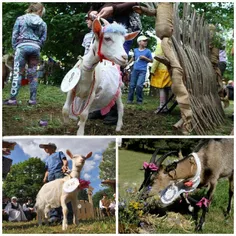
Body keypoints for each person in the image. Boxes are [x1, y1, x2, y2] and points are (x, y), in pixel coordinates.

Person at [4, 3, 47, 106]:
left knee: (17, 73)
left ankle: (12, 99)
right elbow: (43, 38)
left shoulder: (20, 19)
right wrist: (37, 45)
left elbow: (15, 34)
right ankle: (32, 100)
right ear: (40, 11)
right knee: (33, 74)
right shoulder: (43, 23)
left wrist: (16, 47)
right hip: (35, 48)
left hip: (22, 47)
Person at [39, 142, 68, 223]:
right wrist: (45, 177)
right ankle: (54, 216)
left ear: (52, 147)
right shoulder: (47, 159)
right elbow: (47, 169)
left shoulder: (59, 153)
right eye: (44, 148)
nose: (45, 149)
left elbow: (64, 160)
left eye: (46, 147)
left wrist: (64, 165)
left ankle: (65, 216)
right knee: (52, 195)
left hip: (59, 173)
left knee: (62, 193)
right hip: (51, 176)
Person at [127, 35, 153, 104]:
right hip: (135, 70)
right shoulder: (135, 50)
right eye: (144, 41)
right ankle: (130, 100)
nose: (146, 42)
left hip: (143, 71)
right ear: (139, 42)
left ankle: (139, 100)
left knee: (139, 85)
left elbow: (151, 61)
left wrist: (145, 58)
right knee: (132, 85)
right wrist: (127, 64)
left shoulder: (148, 51)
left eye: (146, 41)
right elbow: (134, 58)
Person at [150, 39, 172, 113]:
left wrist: (152, 70)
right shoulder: (171, 44)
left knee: (161, 88)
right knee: (166, 88)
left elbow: (157, 58)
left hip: (161, 69)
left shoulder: (161, 44)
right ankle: (165, 106)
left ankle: (161, 106)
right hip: (169, 69)